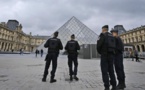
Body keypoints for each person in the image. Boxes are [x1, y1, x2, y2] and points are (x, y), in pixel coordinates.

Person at [97, 25, 117, 90]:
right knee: (111, 71)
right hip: (111, 56)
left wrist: (101, 52)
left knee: (104, 71)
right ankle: (114, 86)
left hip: (104, 55)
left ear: (103, 29)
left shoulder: (102, 35)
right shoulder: (112, 36)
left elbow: (98, 46)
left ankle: (107, 87)